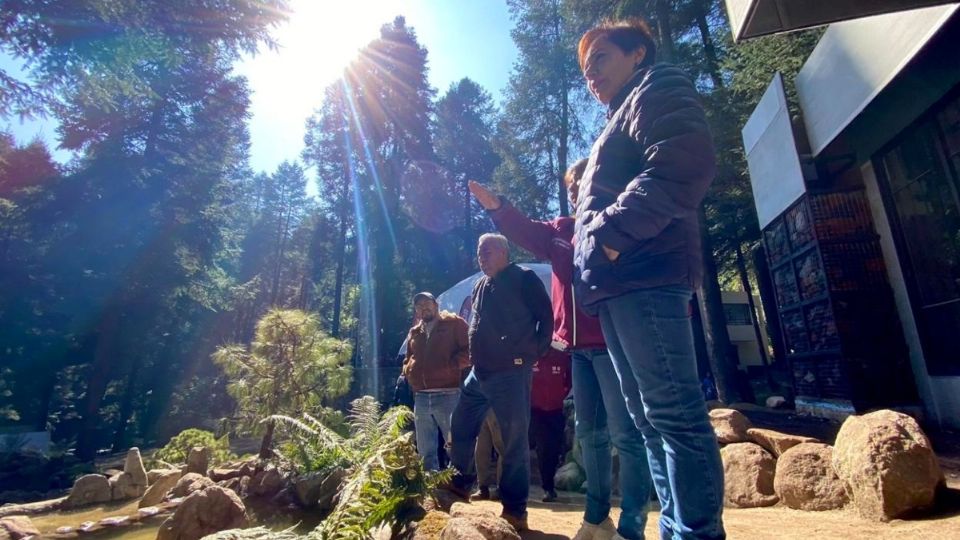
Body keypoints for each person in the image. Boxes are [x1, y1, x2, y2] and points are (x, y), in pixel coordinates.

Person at [573, 17, 725, 539]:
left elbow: (685, 163)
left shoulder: (658, 86)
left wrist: (610, 235)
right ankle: (676, 529)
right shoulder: (619, 116)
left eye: (601, 59)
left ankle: (696, 533)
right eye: (585, 69)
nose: (591, 75)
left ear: (637, 53)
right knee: (646, 419)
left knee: (675, 415)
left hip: (645, 275)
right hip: (616, 285)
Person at [471, 167, 653, 540]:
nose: (575, 193)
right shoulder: (560, 231)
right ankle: (596, 519)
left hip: (613, 342)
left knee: (626, 433)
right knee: (590, 434)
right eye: (571, 188)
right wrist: (499, 207)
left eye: (582, 185)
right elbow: (523, 229)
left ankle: (632, 524)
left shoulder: (617, 223)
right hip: (578, 351)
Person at [448, 233, 553, 531]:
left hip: (511, 373)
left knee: (513, 441)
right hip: (479, 373)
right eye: (480, 252)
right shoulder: (480, 284)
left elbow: (546, 318)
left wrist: (532, 353)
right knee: (461, 425)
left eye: (489, 251)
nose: (482, 257)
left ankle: (515, 509)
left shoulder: (524, 278)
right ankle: (460, 484)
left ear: (505, 252)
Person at [402, 291, 470, 471]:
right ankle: (430, 486)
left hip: (448, 394)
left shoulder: (454, 324)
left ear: (436, 305)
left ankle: (461, 483)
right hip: (421, 398)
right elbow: (408, 358)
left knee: (454, 445)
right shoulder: (414, 332)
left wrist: (451, 366)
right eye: (418, 306)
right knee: (425, 449)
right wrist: (408, 370)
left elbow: (470, 351)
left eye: (426, 303)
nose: (423, 308)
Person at [530, 347, 571, 503]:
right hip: (535, 410)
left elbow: (569, 381)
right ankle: (546, 487)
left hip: (555, 410)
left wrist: (560, 396)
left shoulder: (561, 355)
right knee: (542, 448)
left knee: (552, 449)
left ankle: (549, 486)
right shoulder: (529, 353)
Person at [473, 409, 505, 500]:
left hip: (498, 405)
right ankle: (483, 487)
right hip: (483, 406)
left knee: (501, 447)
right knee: (481, 448)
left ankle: (502, 488)